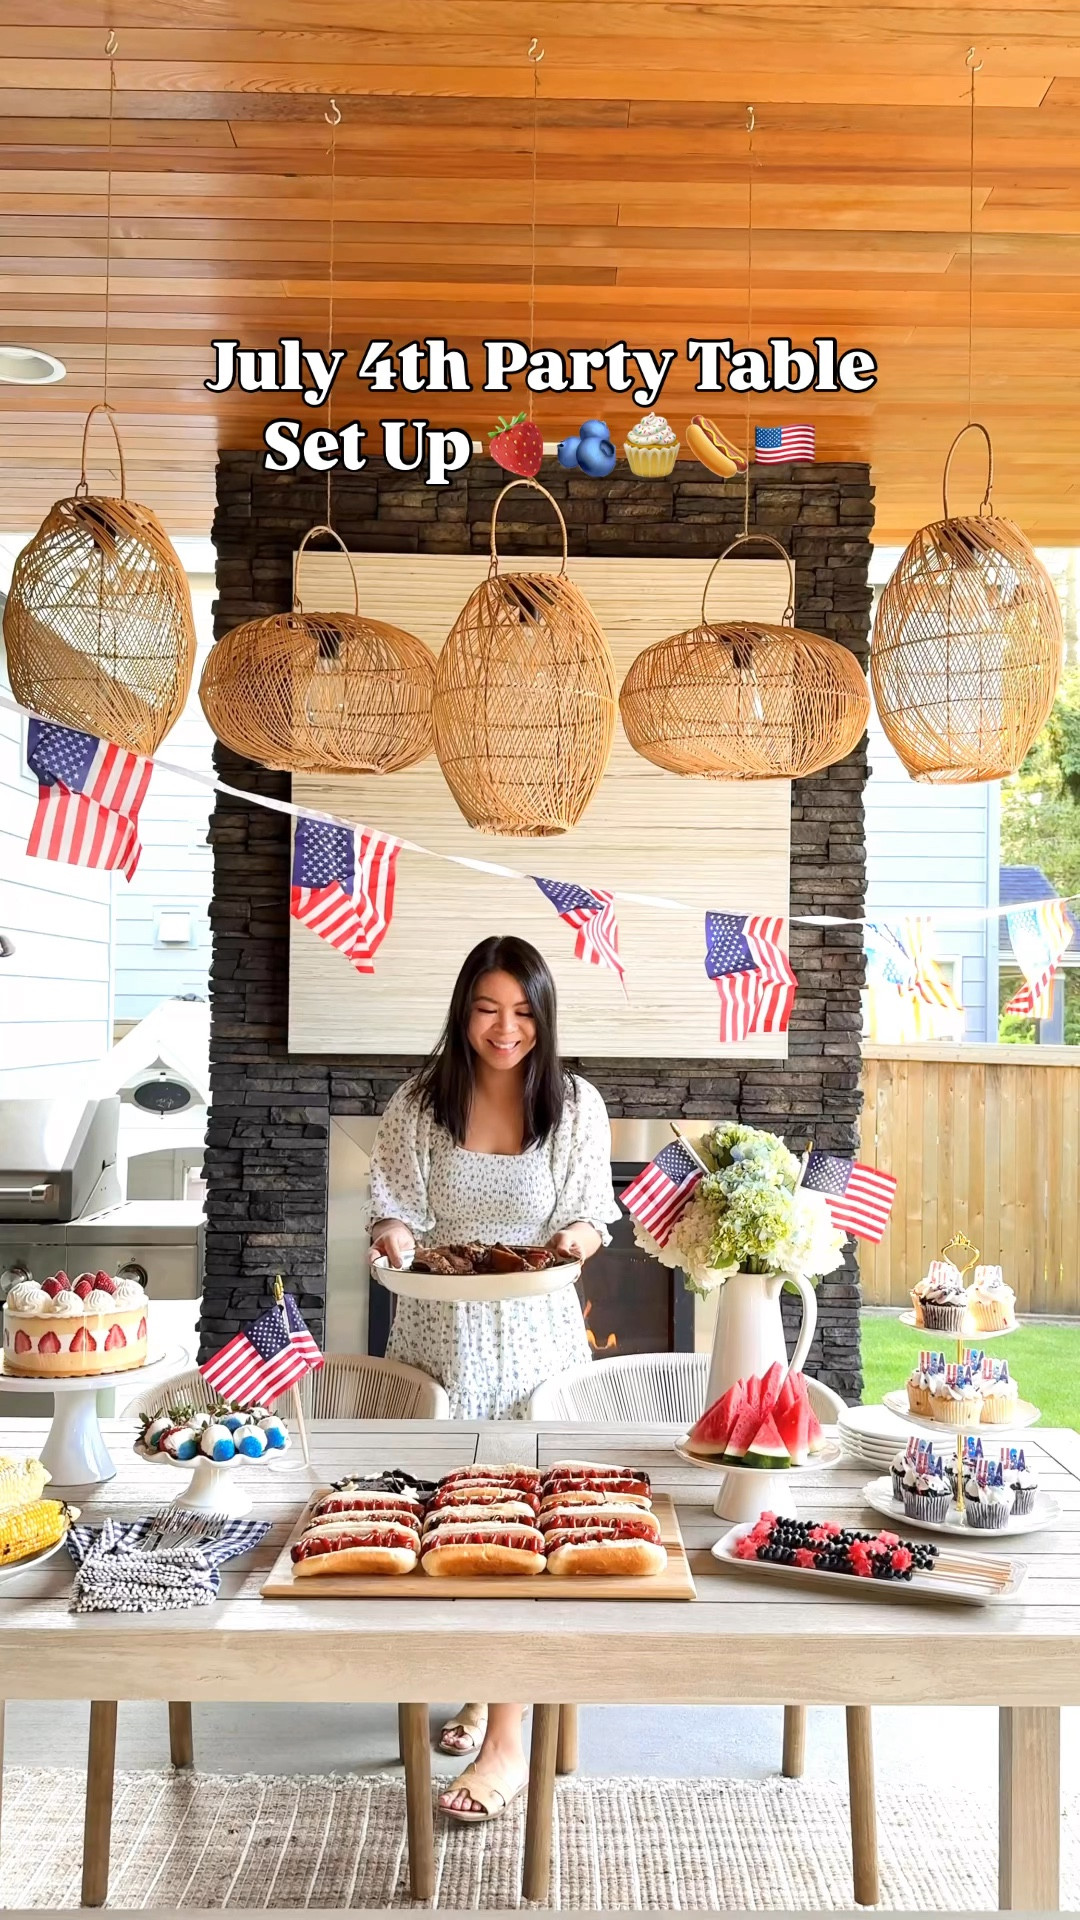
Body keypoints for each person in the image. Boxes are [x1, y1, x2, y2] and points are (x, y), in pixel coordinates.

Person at [368, 933, 620, 1822]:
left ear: (543, 1016)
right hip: (439, 1335)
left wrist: (573, 1244)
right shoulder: (417, 1102)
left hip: (538, 1338)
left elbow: (592, 1211)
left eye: (522, 1011)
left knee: (518, 1517)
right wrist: (394, 1238)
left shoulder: (577, 1103)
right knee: (452, 1510)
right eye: (487, 1009)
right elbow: (394, 1211)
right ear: (462, 1010)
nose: (504, 1029)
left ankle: (510, 1739)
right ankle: (481, 1686)